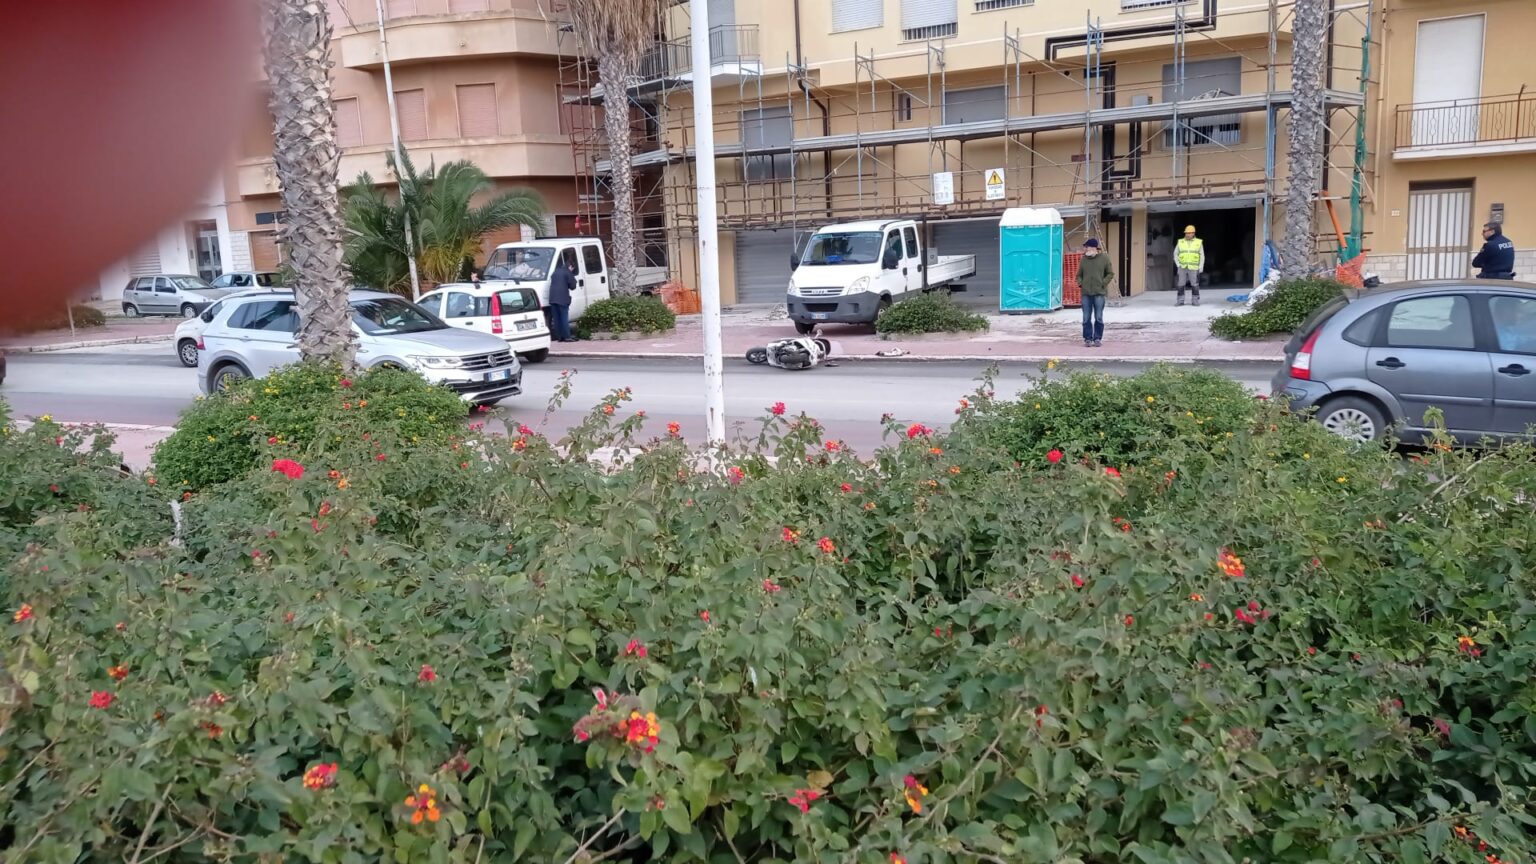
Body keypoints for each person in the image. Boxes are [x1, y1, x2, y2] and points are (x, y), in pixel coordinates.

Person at [1077, 238, 1114, 348]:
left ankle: (1097, 338)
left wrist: (1103, 283)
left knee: (1098, 317)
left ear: (1093, 248)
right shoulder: (1083, 260)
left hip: (1099, 293)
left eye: (1087, 247)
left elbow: (1110, 273)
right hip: (1086, 293)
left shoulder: (1104, 258)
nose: (1085, 249)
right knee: (1086, 318)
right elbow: (1079, 275)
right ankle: (1087, 338)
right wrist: (1081, 283)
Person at [1175, 224, 1205, 306]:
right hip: (1182, 267)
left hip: (1194, 267)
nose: (1187, 234)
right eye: (1186, 233)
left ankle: (1195, 300)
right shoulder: (1180, 242)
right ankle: (1180, 300)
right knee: (1181, 284)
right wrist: (1178, 264)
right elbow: (1175, 254)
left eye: (1189, 233)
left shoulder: (1198, 242)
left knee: (1194, 284)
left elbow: (1202, 255)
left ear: (1193, 233)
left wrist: (1201, 266)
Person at [548, 256, 576, 342]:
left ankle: (559, 337)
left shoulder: (555, 272)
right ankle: (567, 336)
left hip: (552, 298)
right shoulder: (568, 272)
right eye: (572, 269)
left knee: (556, 319)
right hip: (562, 299)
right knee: (564, 318)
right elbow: (573, 286)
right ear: (570, 266)